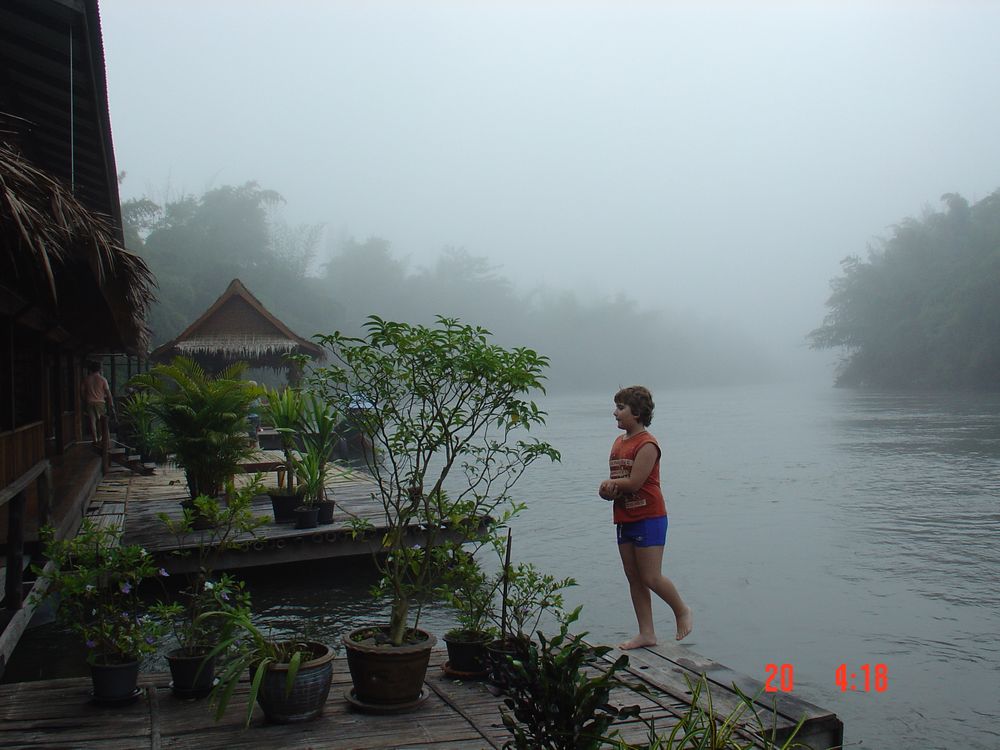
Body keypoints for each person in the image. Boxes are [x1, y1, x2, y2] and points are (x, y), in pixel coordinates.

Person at [599, 385, 692, 648]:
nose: (615, 413)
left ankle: (682, 610)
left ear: (637, 413)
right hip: (624, 517)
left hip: (649, 517)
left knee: (651, 577)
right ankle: (647, 633)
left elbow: (635, 482)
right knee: (634, 577)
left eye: (620, 408)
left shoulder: (648, 444)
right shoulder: (619, 442)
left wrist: (608, 484)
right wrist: (606, 492)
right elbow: (620, 484)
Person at [81, 360, 115, 447]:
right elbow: (108, 393)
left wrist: (85, 399)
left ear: (91, 369)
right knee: (101, 420)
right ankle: (101, 438)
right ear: (99, 369)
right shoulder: (103, 379)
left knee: (92, 421)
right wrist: (111, 404)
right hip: (100, 402)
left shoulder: (86, 379)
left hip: (89, 402)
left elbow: (82, 392)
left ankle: (95, 439)